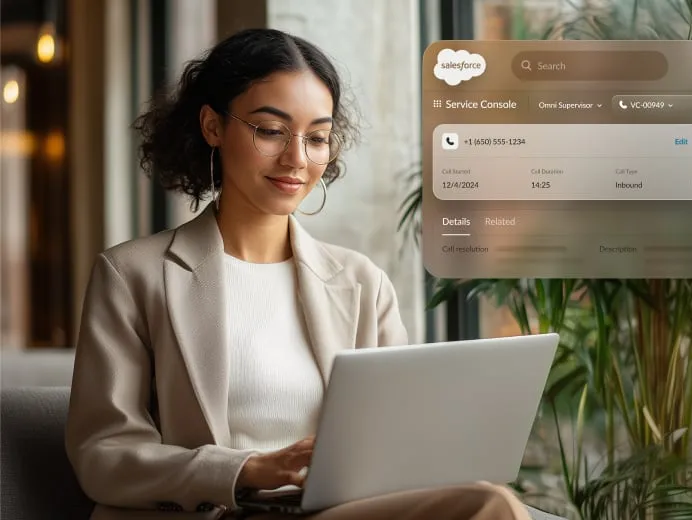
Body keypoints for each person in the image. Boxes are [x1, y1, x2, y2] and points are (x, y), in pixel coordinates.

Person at [65, 28, 532, 520]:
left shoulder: (362, 284)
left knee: (490, 504)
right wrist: (244, 470)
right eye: (270, 131)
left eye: (317, 138)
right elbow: (104, 455)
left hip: (328, 512)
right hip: (213, 512)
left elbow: (400, 440)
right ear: (212, 126)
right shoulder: (132, 275)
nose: (297, 159)